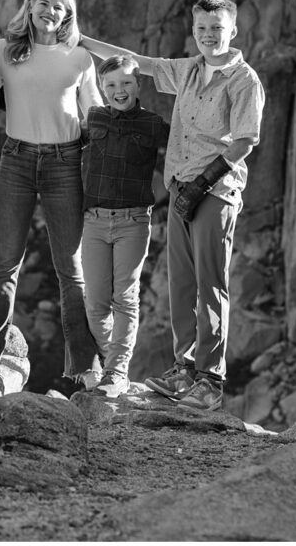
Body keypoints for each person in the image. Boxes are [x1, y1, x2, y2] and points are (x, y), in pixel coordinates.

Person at [81, 0, 265, 412]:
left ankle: (210, 380)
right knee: (181, 284)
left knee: (210, 283)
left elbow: (245, 140)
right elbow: (136, 61)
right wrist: (82, 40)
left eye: (216, 29)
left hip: (215, 192)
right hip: (182, 188)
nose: (207, 36)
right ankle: (183, 369)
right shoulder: (187, 70)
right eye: (201, 28)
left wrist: (205, 182)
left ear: (232, 30)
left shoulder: (243, 80)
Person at [0, 0, 104, 390]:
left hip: (65, 162)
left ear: (67, 16)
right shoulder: (5, 52)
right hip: (17, 159)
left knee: (70, 268)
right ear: (30, 5)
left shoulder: (78, 58)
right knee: (6, 260)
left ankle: (84, 364)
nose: (50, 11)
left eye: (59, 7)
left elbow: (93, 114)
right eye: (44, 3)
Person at [81, 55, 169, 397]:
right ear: (102, 88)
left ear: (139, 85)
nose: (120, 90)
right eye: (112, 85)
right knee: (96, 303)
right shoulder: (95, 117)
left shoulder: (153, 123)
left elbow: (183, 147)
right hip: (94, 221)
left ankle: (117, 372)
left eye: (127, 83)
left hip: (134, 221)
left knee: (125, 300)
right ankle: (109, 360)